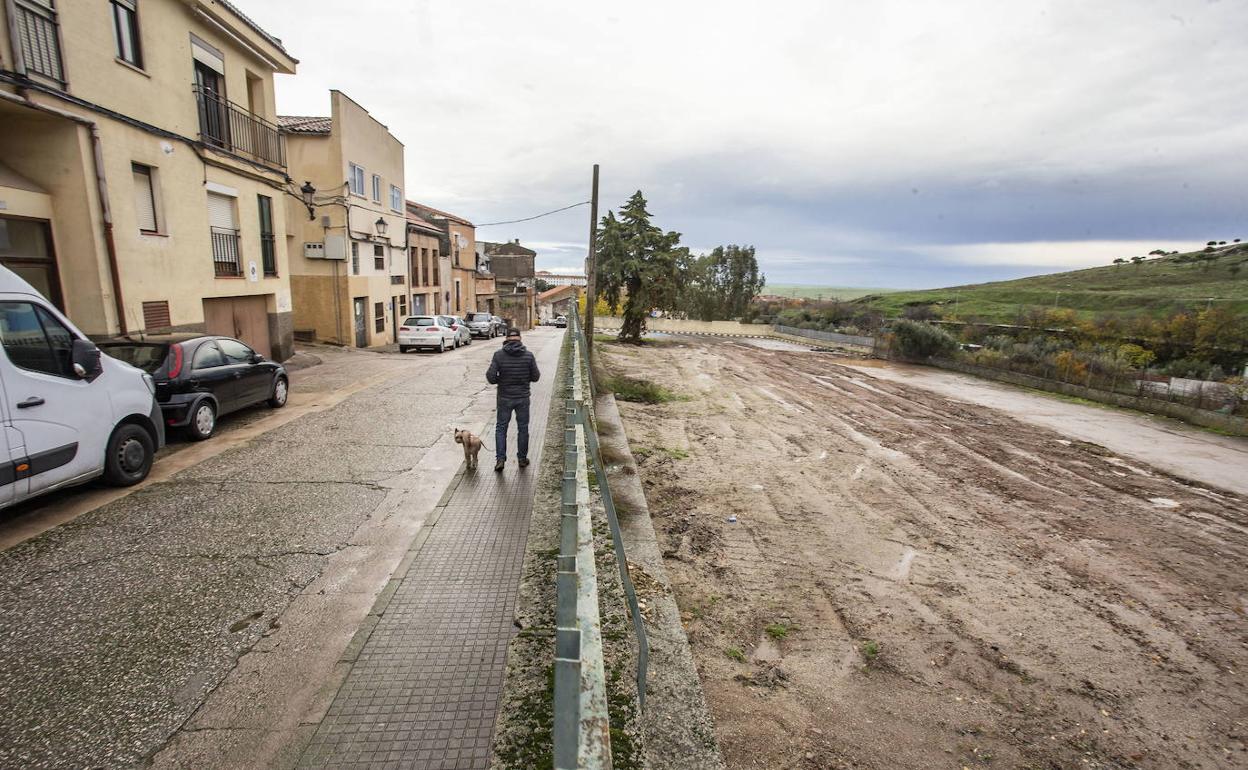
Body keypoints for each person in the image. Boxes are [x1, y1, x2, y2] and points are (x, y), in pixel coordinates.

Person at [486, 328, 541, 472]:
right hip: (522, 398)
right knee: (523, 428)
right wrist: (524, 379)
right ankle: (522, 459)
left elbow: (491, 378)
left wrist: (502, 380)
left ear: (506, 339)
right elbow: (536, 377)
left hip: (504, 397)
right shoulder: (528, 356)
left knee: (501, 428)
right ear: (520, 339)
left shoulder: (498, 355)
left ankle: (500, 459)